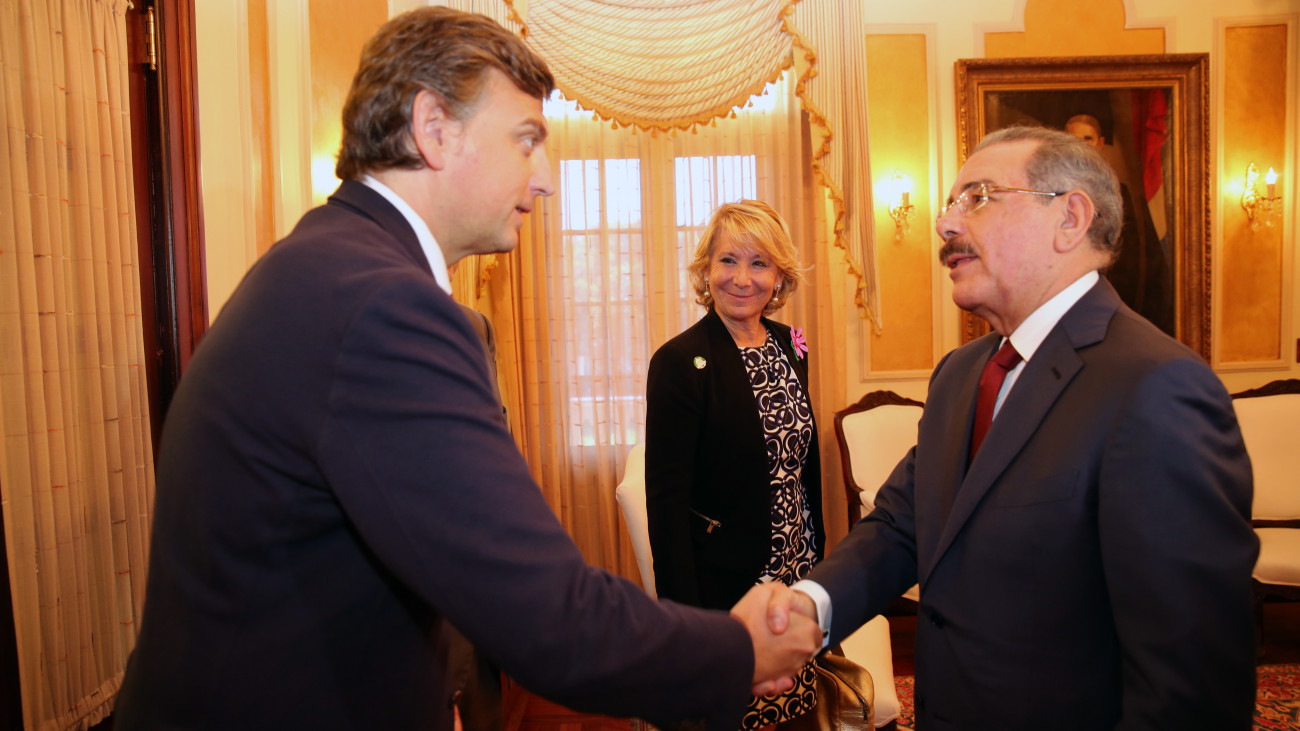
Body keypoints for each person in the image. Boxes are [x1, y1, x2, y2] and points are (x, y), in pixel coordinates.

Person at [113, 8, 820, 731]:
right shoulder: (387, 307)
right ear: (435, 129)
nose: (545, 179)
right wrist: (737, 649)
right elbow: (544, 613)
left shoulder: (330, 262)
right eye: (526, 140)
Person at [769, 125, 1259, 729]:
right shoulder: (961, 373)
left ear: (1069, 220)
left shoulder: (1157, 387)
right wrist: (807, 611)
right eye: (951, 203)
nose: (945, 223)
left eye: (977, 197)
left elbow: (1191, 682)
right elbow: (903, 526)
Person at [646, 201, 823, 728]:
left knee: (794, 712)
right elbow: (667, 502)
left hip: (797, 569)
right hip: (726, 586)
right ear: (706, 269)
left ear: (779, 276)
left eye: (759, 263)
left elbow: (798, 464)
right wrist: (684, 622)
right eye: (728, 260)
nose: (742, 279)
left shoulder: (791, 346)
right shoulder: (679, 361)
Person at [1064, 113, 1174, 334]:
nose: (1081, 146)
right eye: (1074, 139)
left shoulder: (1122, 196)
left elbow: (1138, 265)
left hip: (1116, 308)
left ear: (1100, 143)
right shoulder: (1051, 194)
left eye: (1087, 139)